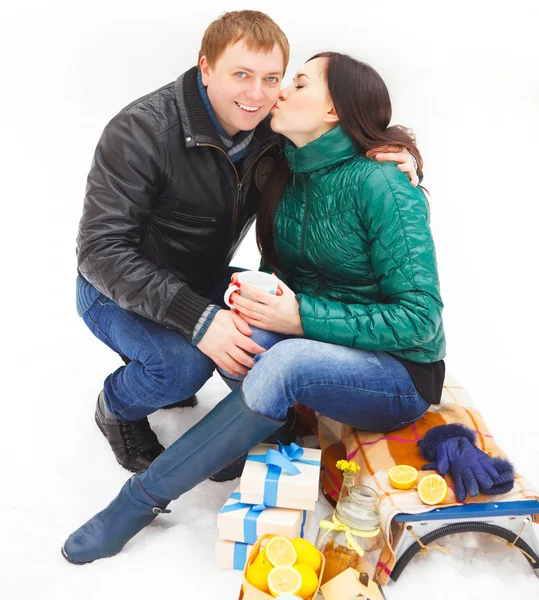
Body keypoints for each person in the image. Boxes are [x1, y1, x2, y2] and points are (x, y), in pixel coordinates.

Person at [62, 50, 446, 564]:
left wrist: (301, 317)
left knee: (284, 360)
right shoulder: (286, 166)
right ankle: (252, 433)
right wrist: (278, 306)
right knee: (241, 314)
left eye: (299, 83)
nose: (278, 91)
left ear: (334, 111)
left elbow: (421, 321)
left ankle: (139, 501)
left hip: (398, 375)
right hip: (322, 340)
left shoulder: (384, 183)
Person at [75, 10, 419, 475]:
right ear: (206, 68)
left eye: (272, 78)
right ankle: (116, 405)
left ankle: (250, 414)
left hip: (205, 278)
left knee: (265, 322)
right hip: (113, 288)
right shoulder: (140, 131)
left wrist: (397, 158)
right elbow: (100, 250)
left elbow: (333, 152)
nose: (258, 94)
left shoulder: (274, 132)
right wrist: (198, 320)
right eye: (241, 74)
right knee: (181, 368)